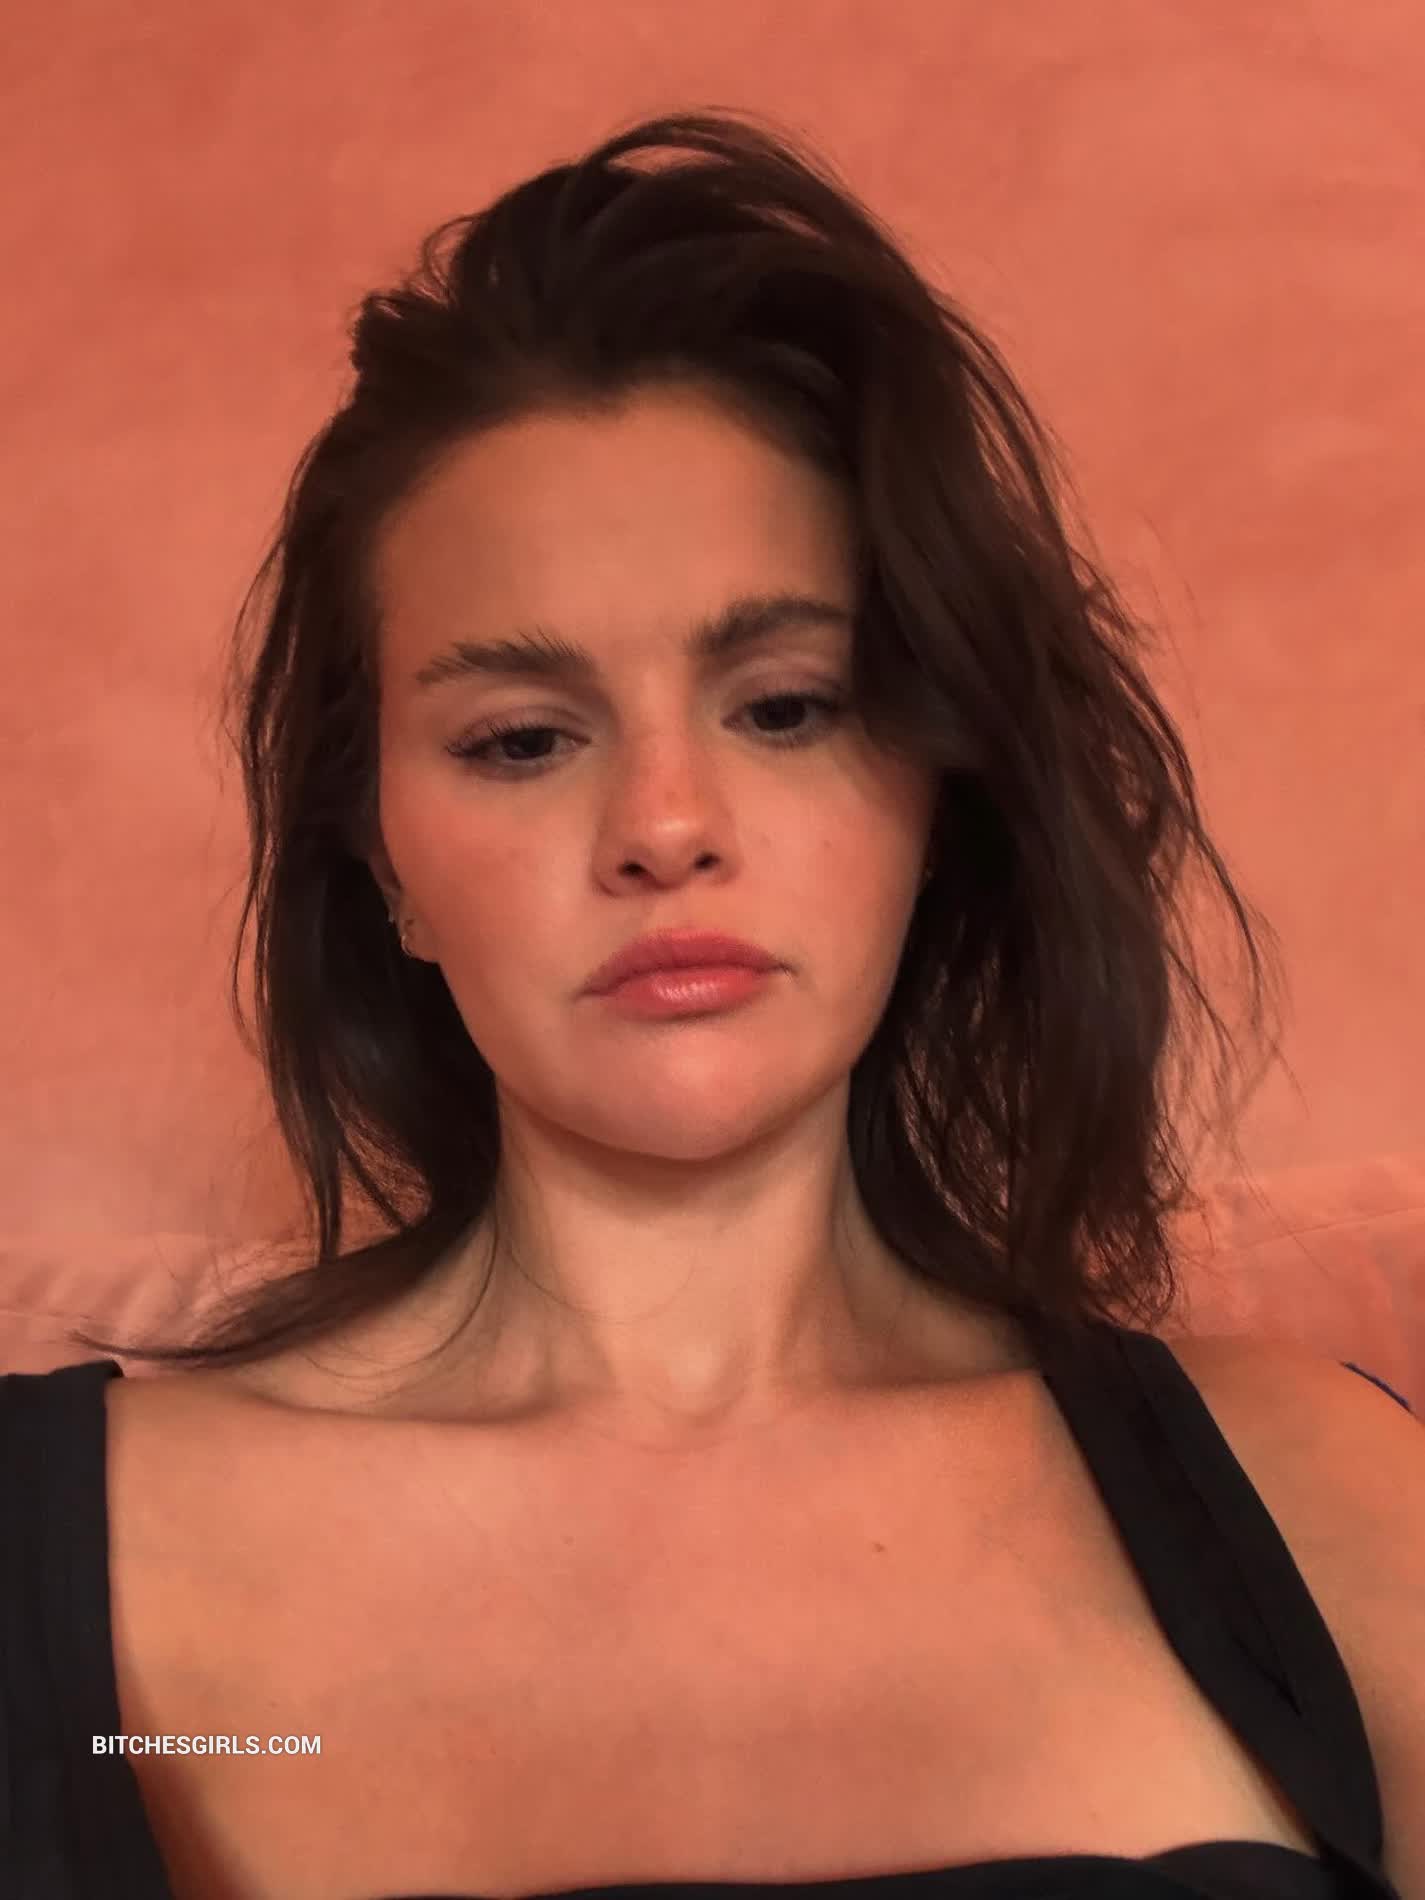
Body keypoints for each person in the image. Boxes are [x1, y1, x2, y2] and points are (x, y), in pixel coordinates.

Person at [1, 107, 1419, 1900]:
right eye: (521, 740)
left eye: (786, 706)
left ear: (937, 796)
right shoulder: (52, 1558)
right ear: (383, 865)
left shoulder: (1319, 1493)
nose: (665, 825)